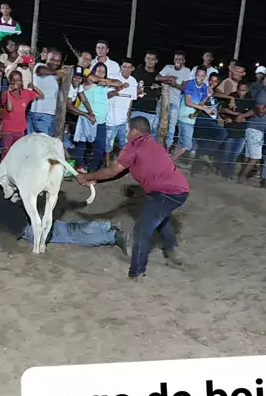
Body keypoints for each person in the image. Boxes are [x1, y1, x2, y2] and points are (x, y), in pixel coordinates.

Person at [77, 117, 189, 280]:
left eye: (128, 130)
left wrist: (85, 176)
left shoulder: (134, 145)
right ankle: (172, 251)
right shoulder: (151, 144)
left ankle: (136, 272)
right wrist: (96, 180)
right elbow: (122, 171)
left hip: (166, 192)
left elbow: (113, 170)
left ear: (135, 131)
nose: (126, 133)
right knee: (159, 217)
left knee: (142, 229)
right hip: (179, 190)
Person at [0, 175, 130, 253]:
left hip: (24, 229)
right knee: (69, 229)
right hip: (29, 217)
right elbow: (13, 199)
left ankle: (112, 236)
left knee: (71, 235)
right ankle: (106, 227)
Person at [73, 63, 124, 171]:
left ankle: (93, 170)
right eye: (99, 71)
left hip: (101, 121)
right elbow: (91, 77)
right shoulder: (88, 82)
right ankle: (80, 167)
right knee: (82, 144)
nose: (101, 73)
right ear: (94, 71)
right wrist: (106, 81)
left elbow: (119, 83)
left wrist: (107, 82)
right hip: (87, 118)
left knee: (100, 147)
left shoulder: (104, 85)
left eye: (103, 72)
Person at [239, 73, 266, 183]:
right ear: (264, 83)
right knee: (256, 157)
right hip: (255, 128)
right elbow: (260, 113)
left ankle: (242, 176)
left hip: (254, 127)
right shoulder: (262, 94)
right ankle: (242, 177)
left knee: (249, 155)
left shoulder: (265, 93)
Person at [190, 72, 229, 175]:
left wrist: (231, 99)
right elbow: (199, 105)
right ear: (208, 80)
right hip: (202, 119)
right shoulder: (203, 90)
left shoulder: (217, 94)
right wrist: (207, 96)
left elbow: (218, 107)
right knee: (222, 133)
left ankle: (194, 172)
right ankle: (204, 154)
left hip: (212, 120)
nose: (213, 83)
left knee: (203, 143)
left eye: (215, 81)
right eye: (211, 80)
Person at [1, 68, 44, 158]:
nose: (15, 82)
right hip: (8, 128)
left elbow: (41, 95)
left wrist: (33, 86)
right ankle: (4, 166)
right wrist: (8, 92)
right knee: (7, 151)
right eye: (13, 80)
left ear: (21, 82)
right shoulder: (6, 94)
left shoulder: (26, 93)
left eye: (18, 80)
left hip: (20, 128)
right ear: (10, 81)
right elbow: (9, 108)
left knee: (18, 151)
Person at [218, 80, 255, 178]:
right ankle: (222, 173)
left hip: (241, 131)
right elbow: (222, 109)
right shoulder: (232, 96)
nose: (241, 92)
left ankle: (229, 174)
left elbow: (253, 111)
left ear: (247, 90)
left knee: (234, 155)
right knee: (227, 153)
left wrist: (242, 116)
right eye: (239, 90)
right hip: (230, 129)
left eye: (243, 90)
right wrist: (235, 115)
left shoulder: (250, 99)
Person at [174, 64, 211, 162]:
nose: (199, 78)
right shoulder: (190, 84)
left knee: (182, 144)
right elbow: (188, 102)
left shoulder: (205, 87)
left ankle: (171, 162)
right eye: (198, 75)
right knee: (187, 145)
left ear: (205, 77)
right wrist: (205, 109)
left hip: (191, 118)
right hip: (184, 116)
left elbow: (200, 104)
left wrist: (207, 96)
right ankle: (170, 162)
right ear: (195, 75)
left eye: (202, 76)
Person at [155, 51, 191, 149]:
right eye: (176, 59)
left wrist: (174, 84)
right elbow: (157, 78)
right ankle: (154, 145)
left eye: (180, 59)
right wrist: (169, 78)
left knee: (171, 126)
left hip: (175, 101)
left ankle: (167, 147)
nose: (177, 61)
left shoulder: (186, 71)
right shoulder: (168, 67)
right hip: (163, 99)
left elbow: (184, 88)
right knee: (156, 123)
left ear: (184, 61)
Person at [106, 57, 138, 165]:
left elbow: (131, 99)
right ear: (121, 67)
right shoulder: (114, 78)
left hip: (123, 119)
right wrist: (120, 87)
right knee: (108, 144)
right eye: (124, 66)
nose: (126, 69)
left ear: (132, 69)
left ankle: (118, 163)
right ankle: (107, 163)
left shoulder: (133, 81)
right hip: (110, 118)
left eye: (129, 67)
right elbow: (108, 95)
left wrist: (128, 114)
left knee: (124, 143)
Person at [28, 49, 63, 136]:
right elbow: (40, 71)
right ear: (46, 58)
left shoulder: (53, 74)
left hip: (47, 115)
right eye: (52, 59)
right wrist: (57, 72)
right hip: (42, 114)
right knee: (44, 141)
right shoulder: (40, 66)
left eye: (58, 61)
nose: (55, 63)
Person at [132, 50, 161, 130]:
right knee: (132, 134)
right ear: (145, 59)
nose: (149, 61)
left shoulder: (159, 76)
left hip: (150, 111)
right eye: (148, 58)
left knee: (145, 136)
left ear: (156, 61)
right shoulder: (137, 72)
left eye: (152, 59)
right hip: (135, 109)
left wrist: (158, 88)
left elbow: (159, 95)